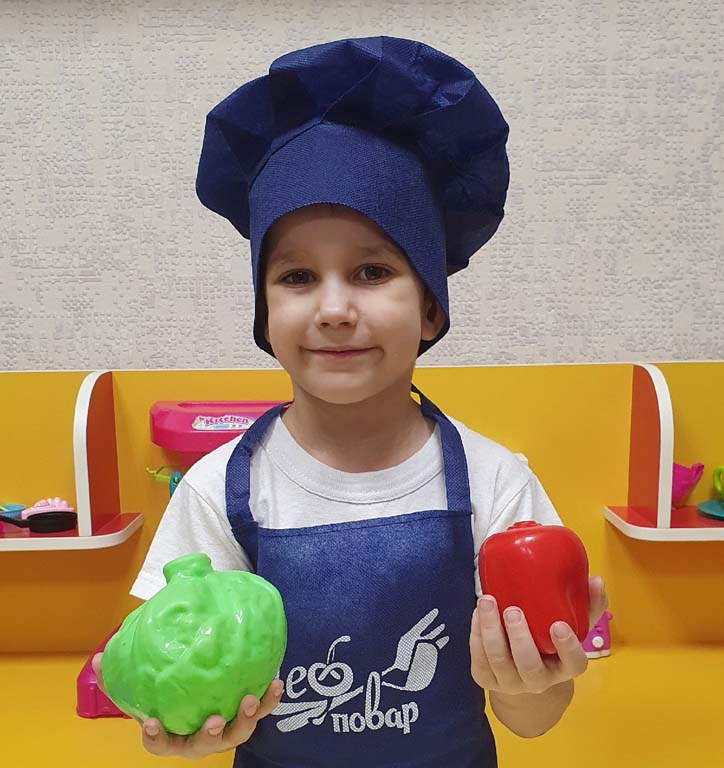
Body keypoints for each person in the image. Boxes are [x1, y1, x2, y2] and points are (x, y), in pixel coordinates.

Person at [93, 36, 607, 766]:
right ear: (264, 312)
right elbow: (183, 688)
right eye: (297, 277)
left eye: (371, 271)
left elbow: (531, 720)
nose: (333, 309)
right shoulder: (219, 490)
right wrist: (187, 735)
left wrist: (531, 680)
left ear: (429, 308)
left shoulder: (496, 484)